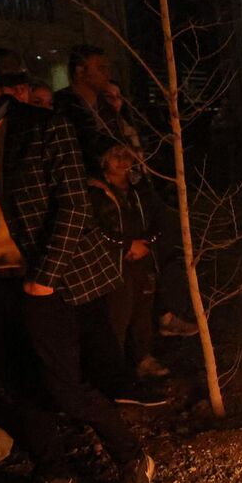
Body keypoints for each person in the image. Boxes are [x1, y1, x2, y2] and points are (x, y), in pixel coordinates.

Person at [0, 30, 153, 483]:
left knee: (65, 387)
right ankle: (55, 474)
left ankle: (132, 458)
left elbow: (73, 206)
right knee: (19, 386)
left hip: (46, 282)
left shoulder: (42, 127)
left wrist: (43, 277)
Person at [86, 140, 170, 399]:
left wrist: (147, 242)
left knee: (142, 310)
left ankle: (143, 359)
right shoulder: (95, 191)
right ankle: (115, 372)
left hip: (141, 257)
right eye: (115, 155)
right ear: (104, 160)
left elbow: (157, 218)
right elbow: (96, 229)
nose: (122, 160)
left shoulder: (140, 189)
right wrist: (124, 245)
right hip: (114, 262)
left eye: (126, 155)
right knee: (117, 316)